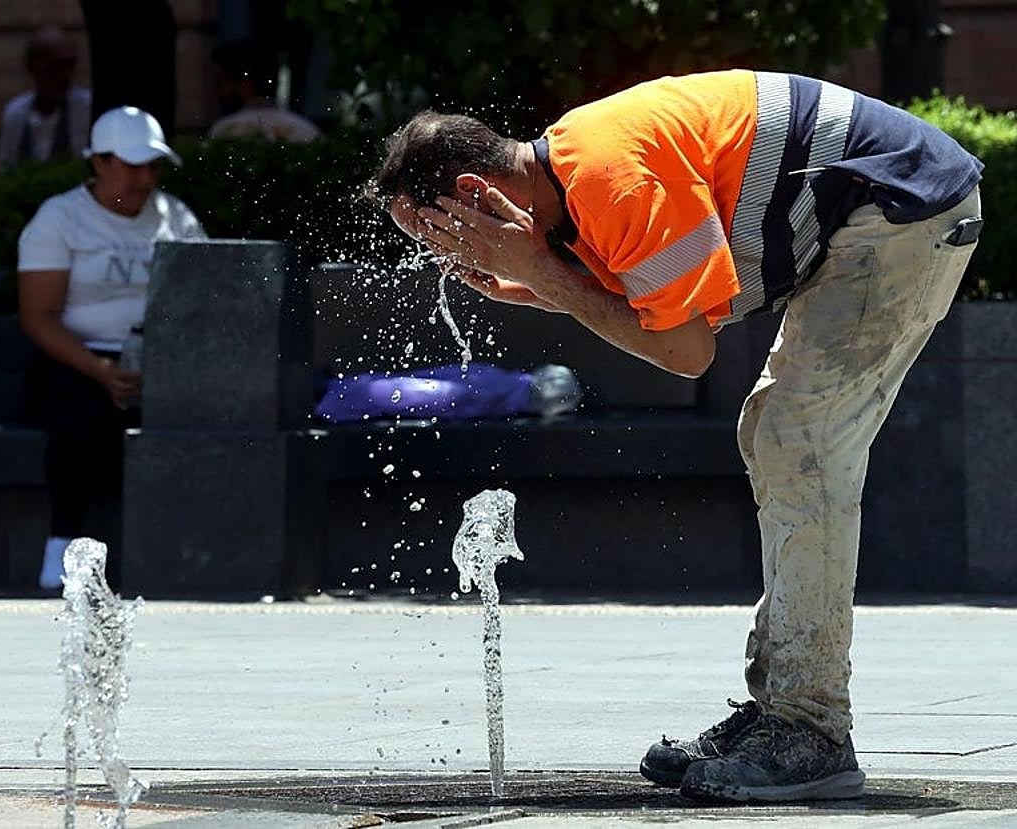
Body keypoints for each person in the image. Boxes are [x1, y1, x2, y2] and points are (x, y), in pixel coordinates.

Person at [370, 70, 983, 802]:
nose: (446, 257)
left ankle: (809, 728)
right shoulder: (571, 181)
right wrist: (537, 282)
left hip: (903, 203)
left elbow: (687, 352)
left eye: (441, 234)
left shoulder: (608, 179)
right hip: (876, 206)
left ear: (476, 192)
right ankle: (782, 710)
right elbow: (656, 310)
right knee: (779, 435)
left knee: (800, 442)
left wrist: (542, 274)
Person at [17, 106, 207, 591]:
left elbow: (203, 293)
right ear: (99, 162)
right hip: (79, 359)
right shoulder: (60, 218)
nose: (145, 179)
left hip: (162, 360)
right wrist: (100, 368)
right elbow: (39, 315)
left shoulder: (175, 216)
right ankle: (62, 544)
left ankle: (191, 551)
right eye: (132, 165)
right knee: (78, 411)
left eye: (153, 166)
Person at [0, 26, 92, 170]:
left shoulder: (86, 109)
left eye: (69, 65)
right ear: (32, 67)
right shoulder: (15, 114)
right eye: (55, 66)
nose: (64, 75)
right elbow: (6, 167)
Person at [206, 39, 321, 143]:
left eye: (221, 80)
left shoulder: (224, 131)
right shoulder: (307, 129)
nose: (218, 91)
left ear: (245, 82)